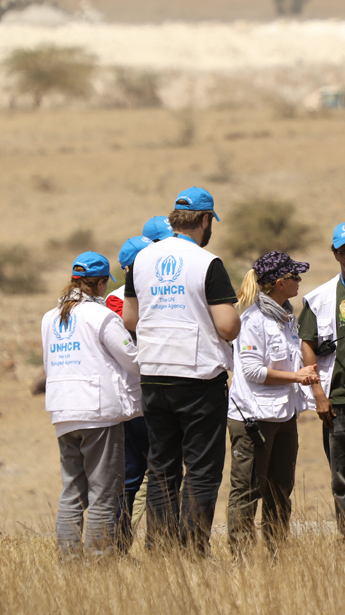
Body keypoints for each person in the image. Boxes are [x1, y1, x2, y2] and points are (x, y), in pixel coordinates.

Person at [122, 186, 241, 555]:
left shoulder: (142, 259)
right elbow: (226, 326)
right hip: (198, 378)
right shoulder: (207, 263)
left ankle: (160, 548)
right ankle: (191, 550)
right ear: (205, 220)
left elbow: (129, 318)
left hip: (154, 373)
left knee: (161, 467)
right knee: (202, 468)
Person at [41, 252, 142, 557]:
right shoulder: (100, 316)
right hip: (98, 413)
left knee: (72, 489)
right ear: (100, 284)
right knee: (103, 492)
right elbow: (133, 359)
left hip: (62, 412)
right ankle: (100, 561)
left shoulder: (50, 317)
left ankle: (69, 561)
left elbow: (50, 365)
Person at [228, 251, 318, 555]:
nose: (299, 281)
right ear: (280, 283)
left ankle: (277, 554)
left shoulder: (287, 318)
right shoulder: (252, 321)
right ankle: (241, 557)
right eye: (294, 276)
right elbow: (253, 372)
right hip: (254, 418)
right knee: (248, 490)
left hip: (283, 416)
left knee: (280, 491)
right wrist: (297, 377)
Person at [299, 222, 345, 545]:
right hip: (336, 403)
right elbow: (307, 345)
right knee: (342, 480)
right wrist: (318, 394)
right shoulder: (318, 298)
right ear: (335, 254)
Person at [107, 235, 154, 551]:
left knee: (139, 475)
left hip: (143, 396)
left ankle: (139, 545)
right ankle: (120, 544)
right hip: (134, 398)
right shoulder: (118, 300)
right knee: (134, 475)